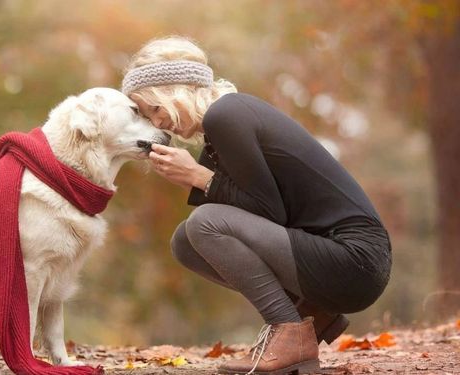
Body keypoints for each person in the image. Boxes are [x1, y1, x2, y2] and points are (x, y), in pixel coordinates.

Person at [121, 36, 392, 375]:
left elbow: (268, 213)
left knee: (204, 223)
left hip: (354, 261)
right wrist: (195, 176)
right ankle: (309, 314)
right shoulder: (221, 125)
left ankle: (289, 330)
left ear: (174, 90)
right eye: (148, 117)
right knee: (185, 241)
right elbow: (261, 212)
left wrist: (198, 176)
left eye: (155, 109)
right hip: (338, 259)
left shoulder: (227, 115)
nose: (158, 124)